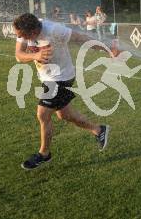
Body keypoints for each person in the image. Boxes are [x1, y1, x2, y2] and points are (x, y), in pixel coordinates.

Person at [14, 13, 113, 170]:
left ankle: (44, 155)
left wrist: (107, 49)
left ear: (33, 32)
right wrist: (36, 55)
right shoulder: (23, 29)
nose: (19, 38)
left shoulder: (54, 30)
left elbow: (81, 38)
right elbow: (19, 55)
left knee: (43, 114)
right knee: (64, 115)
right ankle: (98, 129)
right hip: (47, 78)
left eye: (22, 36)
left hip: (61, 77)